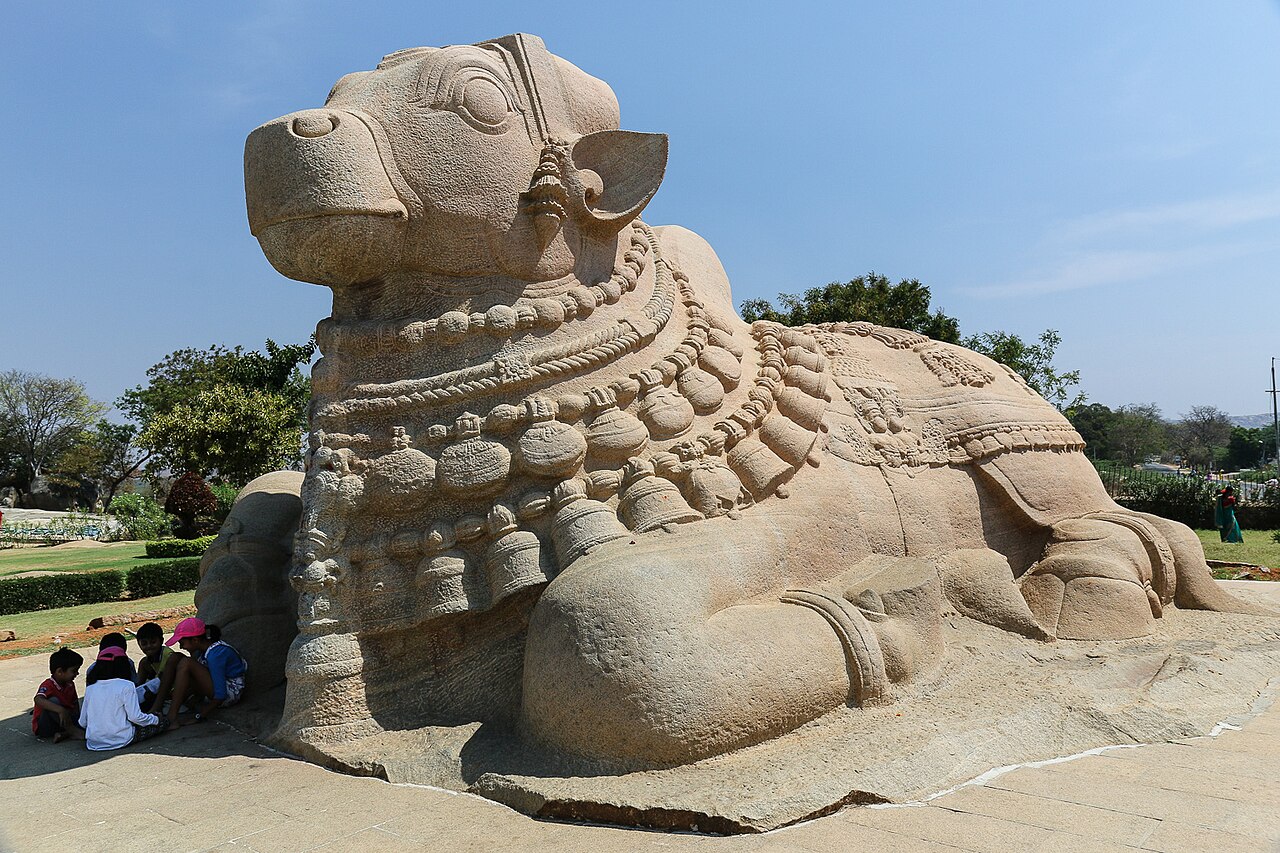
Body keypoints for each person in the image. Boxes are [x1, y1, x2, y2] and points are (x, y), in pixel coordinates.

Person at [78, 646, 167, 751]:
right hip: (121, 739)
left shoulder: (91, 688)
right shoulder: (126, 685)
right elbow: (135, 717)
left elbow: (82, 722)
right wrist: (156, 719)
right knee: (163, 721)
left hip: (94, 742)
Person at [165, 618, 247, 729]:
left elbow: (220, 695)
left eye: (182, 643)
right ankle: (158, 707)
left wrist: (200, 716)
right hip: (220, 688)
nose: (181, 647)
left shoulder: (216, 654)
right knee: (175, 657)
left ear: (195, 640)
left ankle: (171, 717)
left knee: (186, 663)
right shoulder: (204, 650)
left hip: (230, 693)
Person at [33, 647, 84, 742]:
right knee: (53, 701)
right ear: (60, 671)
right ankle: (72, 731)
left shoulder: (70, 684)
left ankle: (65, 733)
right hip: (46, 726)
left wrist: (79, 720)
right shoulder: (48, 685)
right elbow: (38, 699)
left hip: (64, 721)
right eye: (74, 671)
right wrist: (60, 710)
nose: (77, 673)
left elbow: (75, 703)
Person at [135, 622, 183, 714]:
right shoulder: (146, 662)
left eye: (153, 642)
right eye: (144, 643)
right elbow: (140, 686)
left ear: (161, 641)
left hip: (173, 693)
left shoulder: (169, 656)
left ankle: (155, 709)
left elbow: (165, 683)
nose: (149, 646)